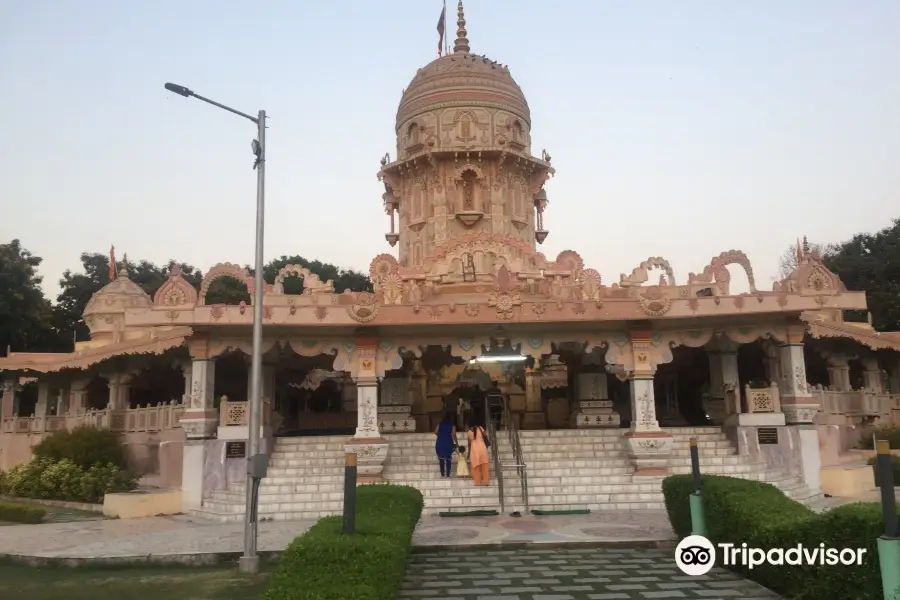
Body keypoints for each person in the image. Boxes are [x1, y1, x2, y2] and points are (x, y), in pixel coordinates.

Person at [434, 412, 457, 478]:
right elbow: (453, 434)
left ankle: (442, 474)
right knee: (448, 458)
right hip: (448, 441)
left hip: (440, 441)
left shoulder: (440, 423)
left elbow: (435, 432)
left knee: (441, 458)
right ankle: (448, 475)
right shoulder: (452, 424)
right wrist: (457, 443)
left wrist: (440, 435)